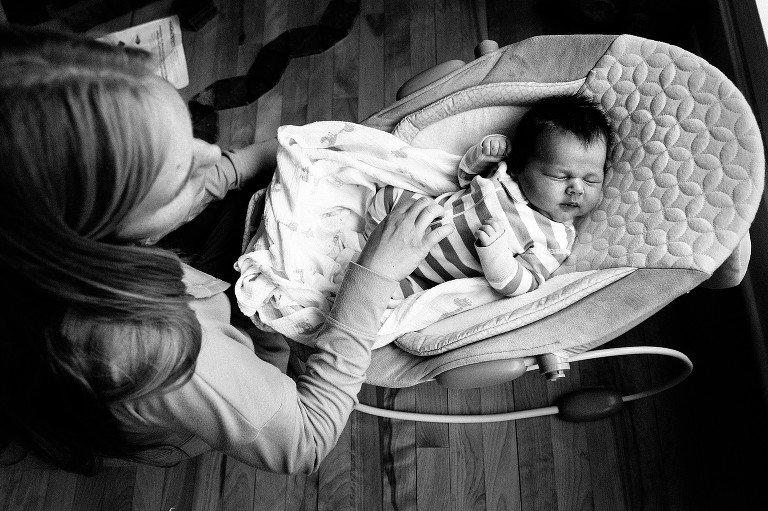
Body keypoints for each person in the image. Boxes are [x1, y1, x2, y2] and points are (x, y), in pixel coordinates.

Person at [0, 24, 453, 475]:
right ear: (97, 226)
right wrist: (373, 275)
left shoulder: (32, 233)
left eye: (188, 134)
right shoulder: (160, 351)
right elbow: (306, 443)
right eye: (181, 177)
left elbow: (196, 171)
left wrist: (249, 164)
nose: (211, 153)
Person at [365, 94, 610, 298]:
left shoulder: (555, 241)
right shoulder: (504, 174)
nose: (577, 189)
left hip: (427, 277)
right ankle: (366, 235)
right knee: (389, 196)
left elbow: (525, 284)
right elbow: (463, 178)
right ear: (520, 166)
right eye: (559, 176)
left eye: (591, 180)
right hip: (414, 219)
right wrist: (483, 155)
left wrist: (496, 255)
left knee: (391, 297)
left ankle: (365, 262)